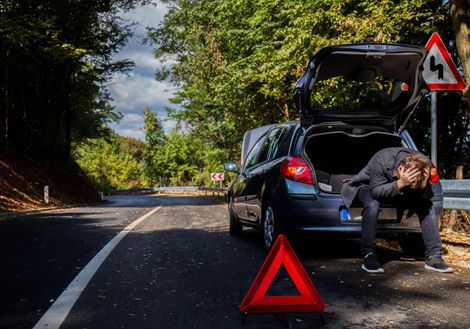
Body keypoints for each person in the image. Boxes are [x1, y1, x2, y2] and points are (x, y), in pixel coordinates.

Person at [341, 147, 453, 274]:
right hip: (369, 186)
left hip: (402, 188)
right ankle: (369, 254)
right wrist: (401, 183)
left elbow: (428, 196)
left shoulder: (423, 165)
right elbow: (376, 192)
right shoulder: (382, 159)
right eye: (412, 181)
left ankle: (434, 257)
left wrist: (423, 185)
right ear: (400, 169)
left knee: (427, 205)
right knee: (373, 204)